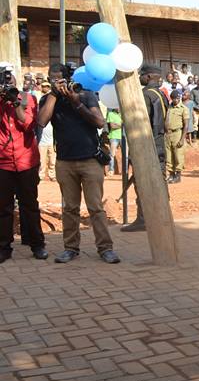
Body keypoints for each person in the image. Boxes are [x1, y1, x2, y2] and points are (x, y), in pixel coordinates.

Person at [37, 64, 119, 264]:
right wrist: (55, 96)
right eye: (52, 79)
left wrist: (76, 102)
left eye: (59, 79)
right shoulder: (48, 99)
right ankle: (71, 248)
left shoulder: (85, 94)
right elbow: (41, 121)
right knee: (70, 208)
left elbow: (99, 122)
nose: (56, 82)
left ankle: (105, 249)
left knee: (96, 208)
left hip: (90, 160)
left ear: (68, 78)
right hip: (65, 161)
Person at [0, 70, 46, 262]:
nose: (7, 81)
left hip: (26, 160)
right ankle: (4, 247)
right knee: (3, 207)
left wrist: (16, 102)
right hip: (3, 163)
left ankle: (37, 244)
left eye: (9, 77)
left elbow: (27, 124)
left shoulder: (28, 98)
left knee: (30, 205)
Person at [121, 64, 169, 232]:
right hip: (160, 144)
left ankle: (143, 219)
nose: (140, 77)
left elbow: (141, 124)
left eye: (142, 75)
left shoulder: (146, 95)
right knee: (160, 182)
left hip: (148, 146)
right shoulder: (162, 95)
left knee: (142, 184)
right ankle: (162, 218)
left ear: (148, 77)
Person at [164, 90, 188, 184]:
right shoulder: (169, 107)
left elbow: (186, 125)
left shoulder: (183, 108)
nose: (176, 100)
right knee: (169, 155)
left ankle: (178, 176)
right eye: (174, 98)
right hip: (168, 134)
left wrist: (182, 139)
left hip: (178, 133)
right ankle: (171, 174)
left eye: (177, 98)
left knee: (178, 155)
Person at [38, 81, 56, 181]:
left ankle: (52, 175)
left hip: (51, 140)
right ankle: (41, 175)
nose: (45, 88)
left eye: (47, 86)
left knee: (52, 160)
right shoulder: (42, 101)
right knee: (42, 160)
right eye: (43, 86)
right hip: (42, 140)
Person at [106, 108, 122, 175]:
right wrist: (122, 125)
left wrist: (117, 125)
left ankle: (125, 171)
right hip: (114, 136)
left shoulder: (122, 114)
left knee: (126, 155)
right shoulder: (110, 114)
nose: (118, 108)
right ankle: (111, 170)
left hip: (123, 136)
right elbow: (112, 126)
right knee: (112, 154)